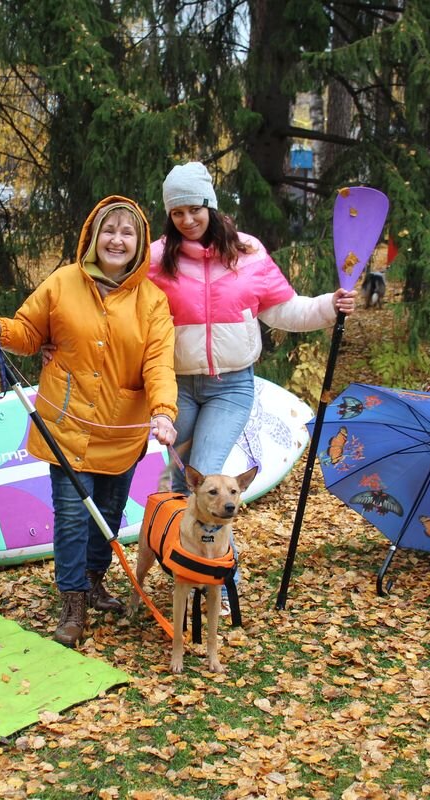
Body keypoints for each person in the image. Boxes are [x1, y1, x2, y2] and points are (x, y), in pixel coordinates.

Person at [0, 197, 178, 648]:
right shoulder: (63, 282)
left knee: (109, 513)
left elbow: (159, 364)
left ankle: (95, 579)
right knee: (71, 518)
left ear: (139, 244)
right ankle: (73, 599)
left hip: (122, 430)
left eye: (127, 232)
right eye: (108, 230)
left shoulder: (153, 302)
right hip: (65, 424)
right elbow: (27, 332)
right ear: (93, 236)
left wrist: (163, 411)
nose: (116, 240)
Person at [147, 162, 356, 611]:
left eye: (194, 208)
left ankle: (221, 583)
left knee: (206, 474)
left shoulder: (247, 252)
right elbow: (124, 313)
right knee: (178, 481)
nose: (187, 219)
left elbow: (286, 310)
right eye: (177, 211)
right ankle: (184, 566)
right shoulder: (155, 257)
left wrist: (330, 305)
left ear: (210, 204)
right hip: (177, 386)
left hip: (231, 388)